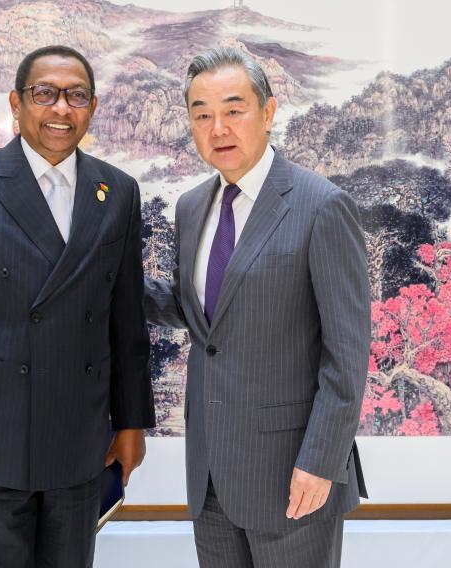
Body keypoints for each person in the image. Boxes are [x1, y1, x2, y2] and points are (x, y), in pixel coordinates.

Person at [0, 45, 155, 567]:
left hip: (80, 436)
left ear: (92, 107)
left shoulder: (118, 190)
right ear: (17, 103)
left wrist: (131, 423)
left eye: (76, 96)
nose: (61, 108)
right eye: (45, 94)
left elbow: (126, 321)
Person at [144, 47, 369, 567]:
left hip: (293, 476)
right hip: (210, 474)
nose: (218, 128)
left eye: (233, 109)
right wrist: (105, 281)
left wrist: (321, 462)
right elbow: (200, 310)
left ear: (267, 113)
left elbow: (347, 355)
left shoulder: (321, 205)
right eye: (202, 115)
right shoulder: (192, 206)